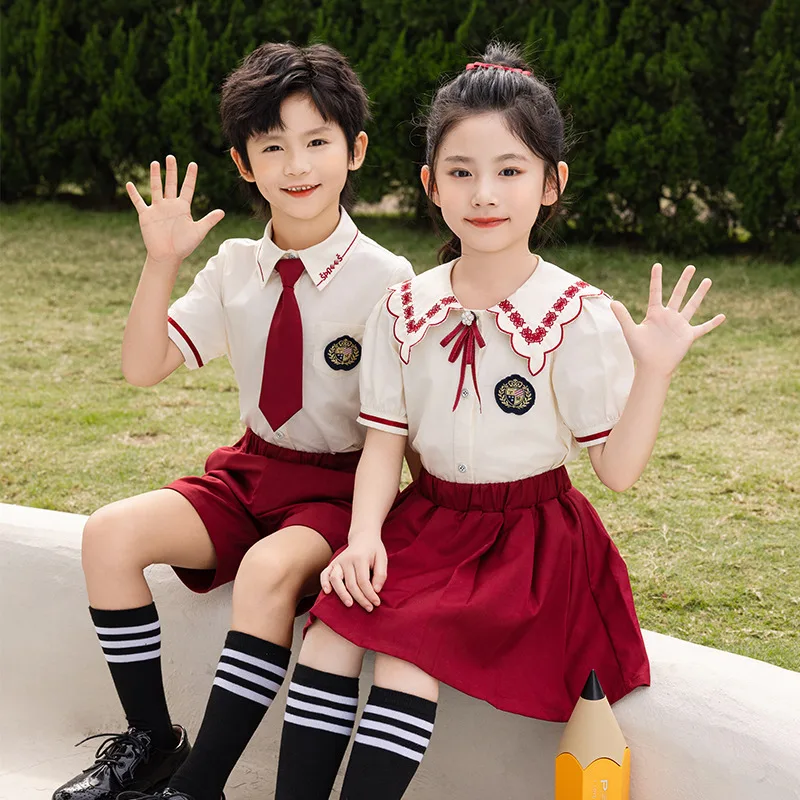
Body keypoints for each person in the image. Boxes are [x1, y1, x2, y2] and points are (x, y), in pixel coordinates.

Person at [272, 42, 726, 800]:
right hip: (427, 525)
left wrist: (654, 372)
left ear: (552, 184)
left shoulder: (573, 315)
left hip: (529, 546)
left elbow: (615, 472)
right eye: (461, 171)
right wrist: (361, 541)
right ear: (430, 184)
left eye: (511, 170)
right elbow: (384, 442)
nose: (485, 192)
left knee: (407, 655)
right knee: (328, 637)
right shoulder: (404, 306)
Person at [53, 42, 414, 800]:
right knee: (108, 534)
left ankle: (198, 785)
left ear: (355, 150)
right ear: (245, 165)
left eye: (317, 141)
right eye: (273, 147)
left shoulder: (390, 281)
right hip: (250, 468)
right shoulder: (233, 266)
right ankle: (151, 742)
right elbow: (143, 367)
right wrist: (162, 262)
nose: (297, 165)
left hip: (338, 490)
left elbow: (400, 430)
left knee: (266, 572)